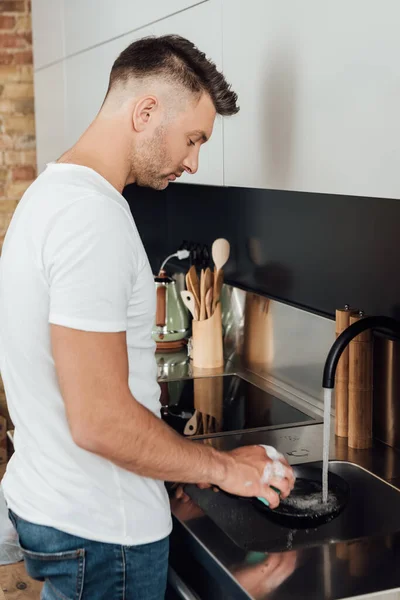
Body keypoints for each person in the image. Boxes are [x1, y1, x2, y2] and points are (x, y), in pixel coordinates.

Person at [0, 34, 294, 599]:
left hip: (57, 512)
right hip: (104, 536)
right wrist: (224, 469)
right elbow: (102, 420)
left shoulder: (49, 194)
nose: (193, 160)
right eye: (193, 138)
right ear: (146, 111)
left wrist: (171, 468)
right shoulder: (93, 219)